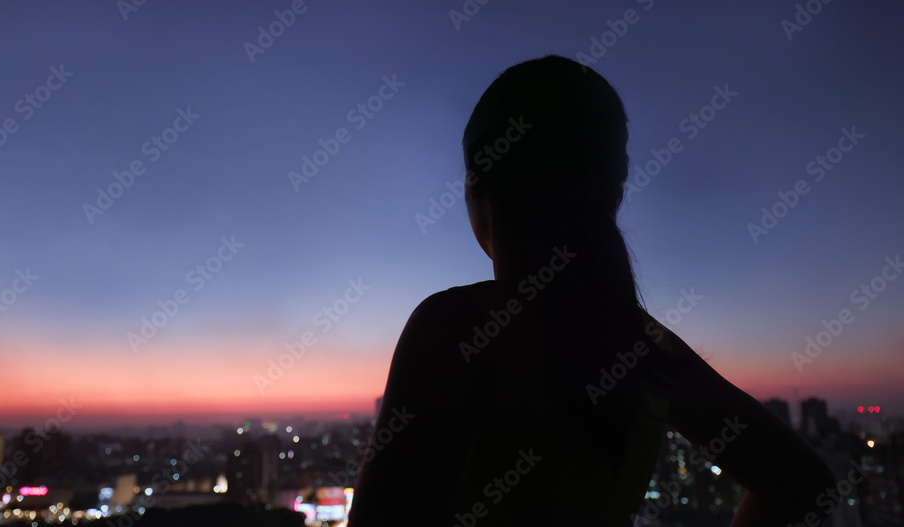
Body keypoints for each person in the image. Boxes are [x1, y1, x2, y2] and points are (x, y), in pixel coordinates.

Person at [347, 55, 837, 526]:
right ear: (613, 192)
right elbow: (802, 483)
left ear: (478, 188)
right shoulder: (645, 346)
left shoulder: (456, 327)